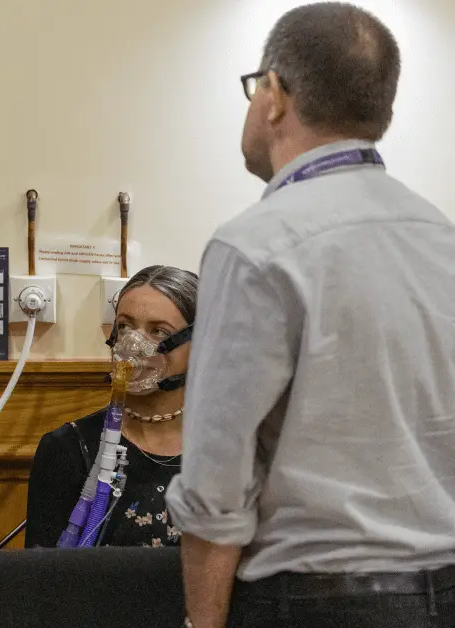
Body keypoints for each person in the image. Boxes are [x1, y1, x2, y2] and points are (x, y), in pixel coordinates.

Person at [164, 4, 455, 627]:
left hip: (315, 600)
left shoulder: (256, 245)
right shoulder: (441, 238)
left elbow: (217, 482)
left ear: (274, 96)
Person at [26, 265, 196, 549]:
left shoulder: (229, 454)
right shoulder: (69, 448)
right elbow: (43, 580)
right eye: (125, 326)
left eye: (158, 331)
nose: (132, 345)